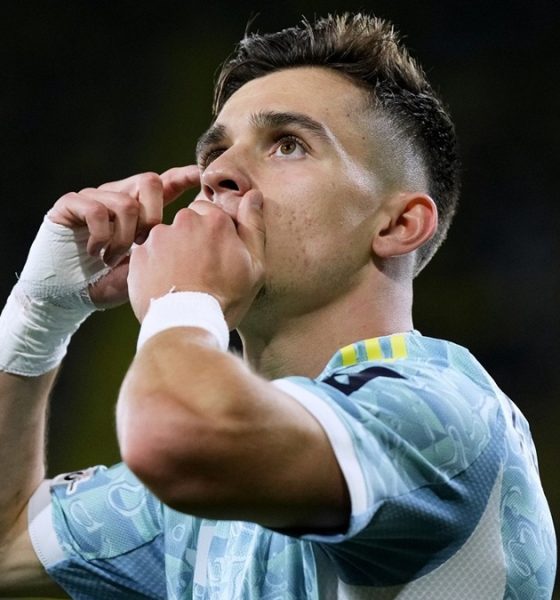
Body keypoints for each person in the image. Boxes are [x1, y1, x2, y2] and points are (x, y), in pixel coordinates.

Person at [0, 12, 555, 599]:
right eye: (216, 151)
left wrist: (184, 300)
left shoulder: (443, 412)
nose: (218, 174)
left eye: (288, 145)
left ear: (398, 224)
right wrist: (37, 315)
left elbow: (181, 443)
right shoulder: (211, 489)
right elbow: (6, 543)